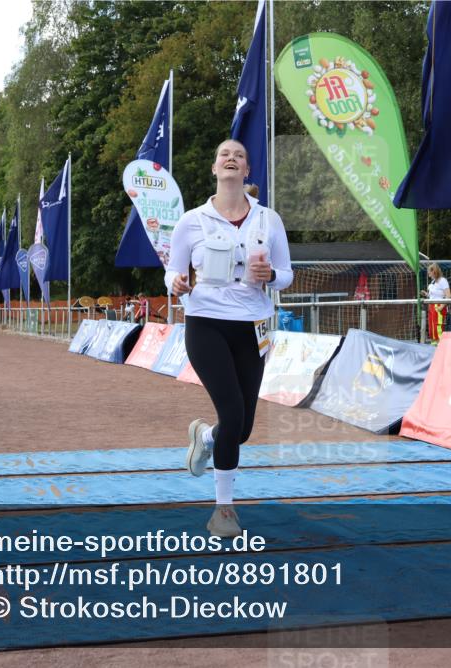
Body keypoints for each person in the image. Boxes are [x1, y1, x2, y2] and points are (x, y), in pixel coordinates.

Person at [165, 139, 292, 537]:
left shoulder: (268, 220)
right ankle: (223, 512)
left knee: (242, 429)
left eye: (239, 155)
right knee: (233, 413)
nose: (231, 159)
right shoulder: (192, 220)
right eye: (224, 155)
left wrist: (270, 277)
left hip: (252, 326)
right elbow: (171, 271)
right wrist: (178, 283)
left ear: (247, 171)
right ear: (215, 169)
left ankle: (205, 437)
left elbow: (287, 274)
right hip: (205, 322)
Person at [421, 263, 451, 344]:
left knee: (438, 326)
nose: (428, 274)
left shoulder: (443, 281)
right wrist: (426, 294)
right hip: (431, 306)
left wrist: (441, 307)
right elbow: (433, 296)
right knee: (431, 327)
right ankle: (434, 344)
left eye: (429, 272)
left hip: (439, 306)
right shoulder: (433, 282)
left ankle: (440, 344)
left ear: (434, 271)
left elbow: (448, 296)